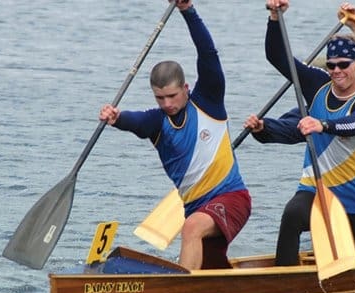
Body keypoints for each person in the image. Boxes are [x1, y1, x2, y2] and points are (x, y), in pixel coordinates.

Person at [98, 0, 250, 271]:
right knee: (211, 270)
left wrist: (188, 10)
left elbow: (208, 53)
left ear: (186, 88)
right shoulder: (156, 123)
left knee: (190, 229)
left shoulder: (208, 100)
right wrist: (115, 117)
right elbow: (133, 120)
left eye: (172, 95)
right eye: (160, 98)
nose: (167, 103)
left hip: (232, 198)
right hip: (195, 207)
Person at [245, 2, 355, 246]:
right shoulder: (319, 95)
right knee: (293, 215)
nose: (336, 72)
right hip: (322, 185)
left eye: (343, 65)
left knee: (348, 240)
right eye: (331, 66)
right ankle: (285, 276)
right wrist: (263, 128)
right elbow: (292, 126)